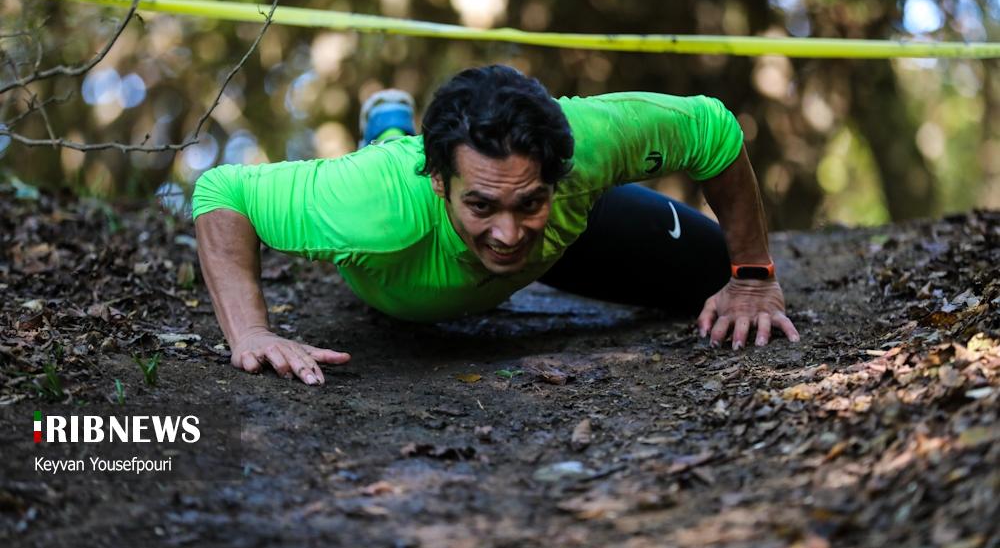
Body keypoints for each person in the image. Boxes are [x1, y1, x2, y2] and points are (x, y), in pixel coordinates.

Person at [193, 65, 799, 386]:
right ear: (441, 183)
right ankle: (388, 129)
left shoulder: (591, 143)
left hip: (569, 232)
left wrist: (751, 275)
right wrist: (249, 334)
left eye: (527, 202)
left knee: (711, 273)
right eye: (481, 206)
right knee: (397, 154)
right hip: (400, 272)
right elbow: (223, 191)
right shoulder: (375, 201)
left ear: (559, 173)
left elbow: (711, 129)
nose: (507, 234)